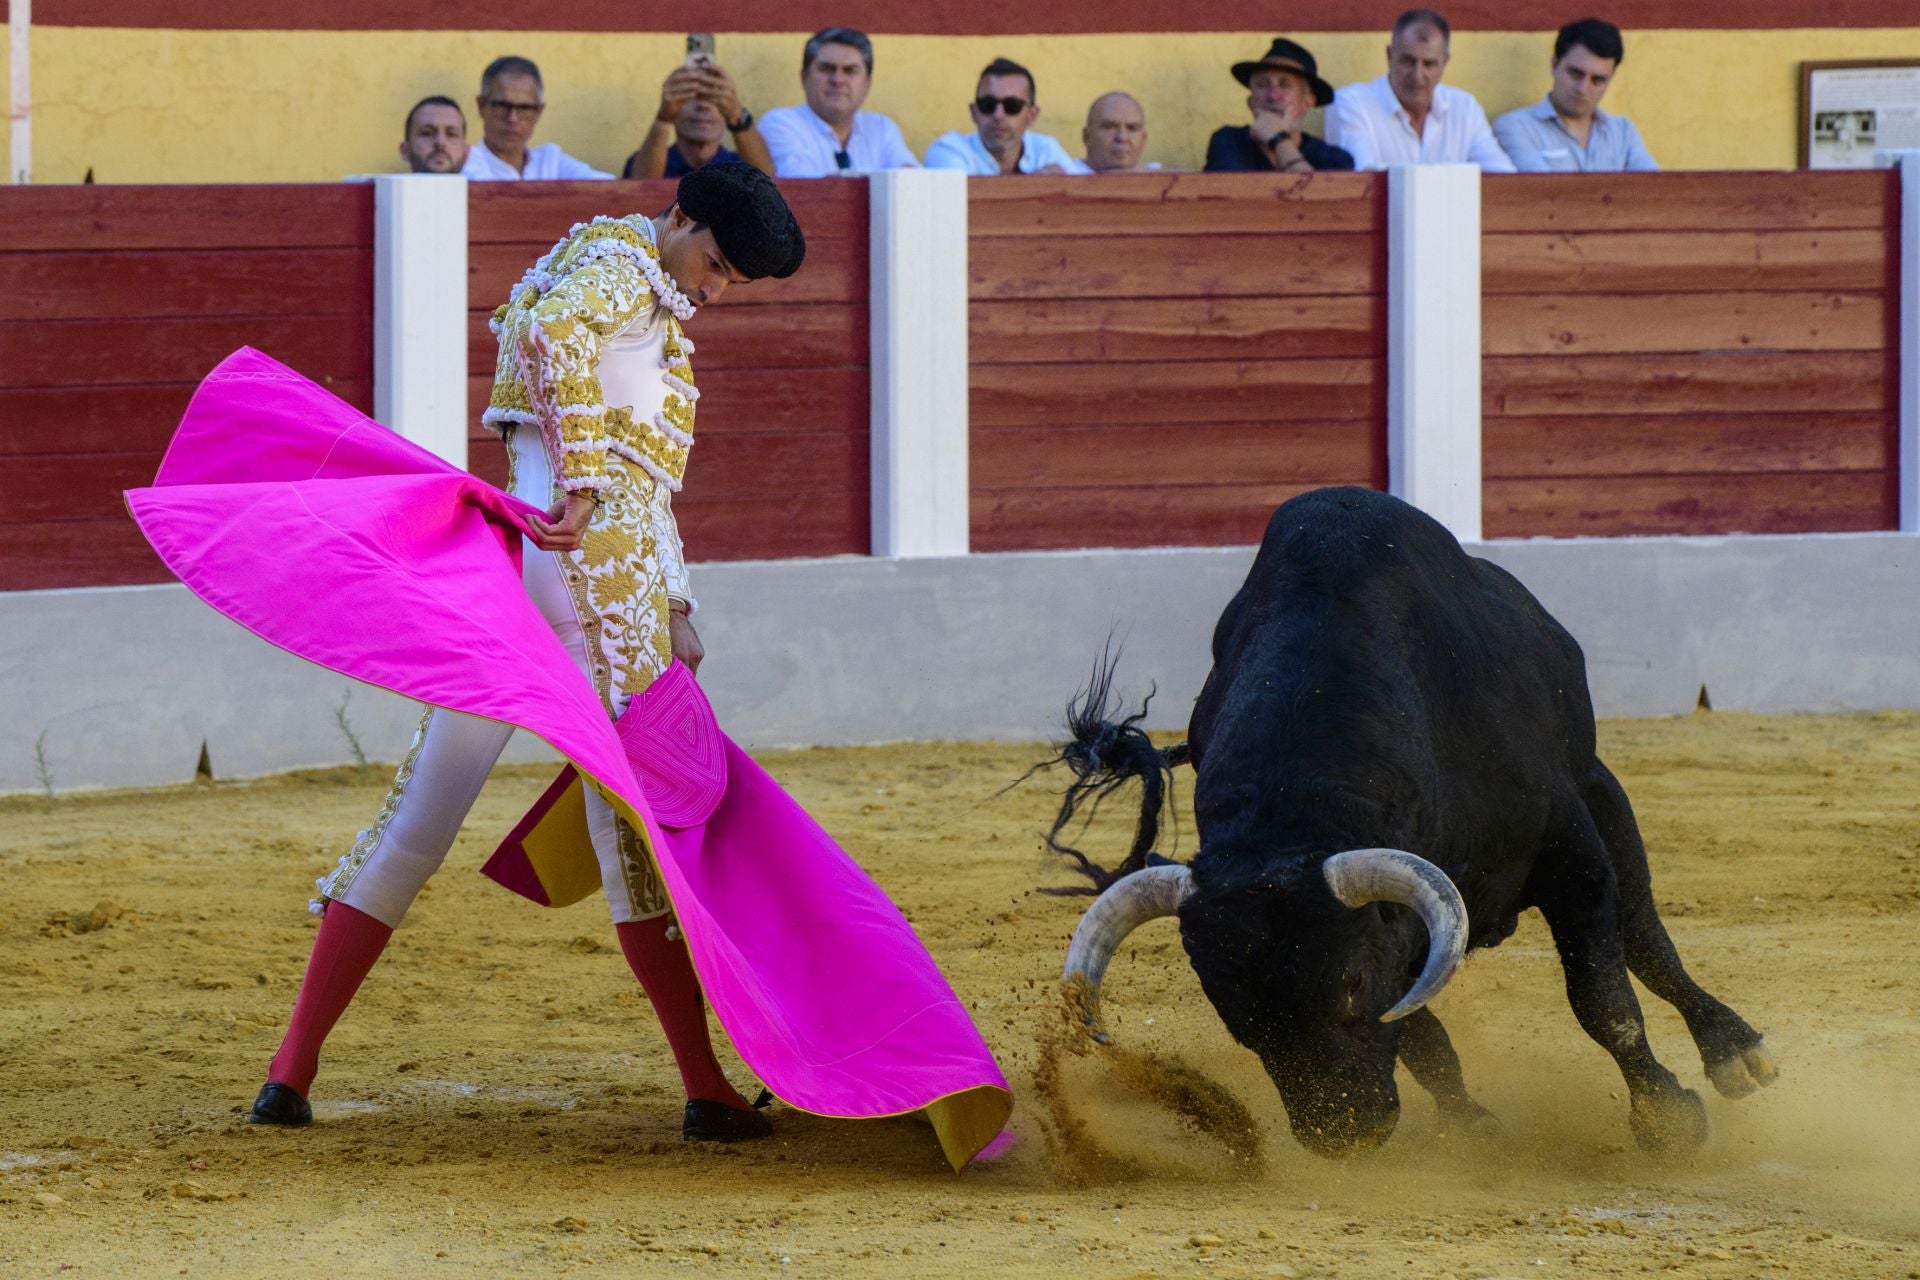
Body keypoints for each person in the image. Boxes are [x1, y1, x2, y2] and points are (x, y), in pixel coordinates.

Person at [248, 162, 805, 1143]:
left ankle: (289, 1070)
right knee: (636, 837)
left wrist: (679, 595)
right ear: (677, 218)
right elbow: (556, 346)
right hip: (596, 591)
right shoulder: (623, 267)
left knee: (417, 819)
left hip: (524, 582)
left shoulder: (636, 290)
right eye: (713, 262)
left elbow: (643, 482)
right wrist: (587, 485)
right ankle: (706, 1085)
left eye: (730, 282)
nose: (713, 288)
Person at [1327, 10, 1515, 172]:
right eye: (1408, 61)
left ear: (1445, 62)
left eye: (1429, 64)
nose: (1418, 76)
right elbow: (1363, 184)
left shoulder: (1465, 107)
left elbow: (1502, 180)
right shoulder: (1352, 104)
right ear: (1389, 55)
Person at [1492, 19, 1657, 172]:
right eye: (1576, 74)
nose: (1583, 88)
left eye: (1597, 80)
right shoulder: (1515, 127)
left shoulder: (1623, 132)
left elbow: (1655, 192)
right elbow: (1543, 193)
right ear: (1555, 65)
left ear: (1611, 79)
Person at [758, 28, 919, 177]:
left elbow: (911, 182)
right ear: (804, 77)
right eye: (827, 68)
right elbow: (803, 188)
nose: (838, 80)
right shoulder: (780, 124)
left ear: (867, 83)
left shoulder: (882, 128)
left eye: (850, 71)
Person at [1204, 39, 1354, 173]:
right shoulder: (1229, 141)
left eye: (1284, 85)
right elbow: (1232, 195)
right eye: (1263, 85)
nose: (1273, 95)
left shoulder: (1333, 159)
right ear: (1251, 102)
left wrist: (1279, 140)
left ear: (1307, 103)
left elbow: (1319, 201)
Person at [462, 54, 614, 181]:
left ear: (539, 112)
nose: (513, 118)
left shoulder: (550, 162)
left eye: (525, 108)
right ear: (481, 106)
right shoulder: (464, 165)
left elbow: (611, 189)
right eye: (502, 106)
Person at [924, 57, 1079, 175]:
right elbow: (957, 206)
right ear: (974, 112)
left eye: (1012, 106)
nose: (998, 115)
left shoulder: (1046, 150)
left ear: (1032, 116)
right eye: (988, 105)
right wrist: (1037, 183)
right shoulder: (949, 150)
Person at [623, 60, 774, 178]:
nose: (703, 106)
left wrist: (738, 116)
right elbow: (639, 192)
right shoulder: (644, 161)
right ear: (673, 108)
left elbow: (769, 191)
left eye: (712, 97)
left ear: (727, 110)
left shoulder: (741, 167)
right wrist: (663, 118)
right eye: (692, 96)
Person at [1080, 92, 1158, 173]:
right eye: (1109, 127)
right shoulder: (1067, 180)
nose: (1122, 137)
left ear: (1143, 139)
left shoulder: (1162, 181)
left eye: (1132, 128)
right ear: (1086, 137)